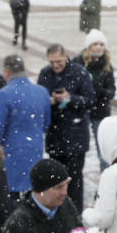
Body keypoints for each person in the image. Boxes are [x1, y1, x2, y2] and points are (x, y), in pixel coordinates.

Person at [1, 158, 83, 233]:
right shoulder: (17, 225)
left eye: (66, 184)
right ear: (41, 191)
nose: (65, 192)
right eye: (58, 187)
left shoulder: (66, 205)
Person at [37, 44, 95, 213]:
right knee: (55, 181)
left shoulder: (79, 72)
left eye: (58, 61)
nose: (55, 65)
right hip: (55, 135)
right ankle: (57, 213)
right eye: (52, 62)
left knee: (74, 181)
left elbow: (90, 100)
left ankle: (74, 215)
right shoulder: (45, 74)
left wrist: (70, 98)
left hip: (75, 135)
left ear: (66, 56)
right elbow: (40, 98)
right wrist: (50, 100)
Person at [0, 54, 52, 200]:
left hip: (10, 154)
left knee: (11, 199)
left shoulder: (3, 95)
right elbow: (46, 123)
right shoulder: (41, 92)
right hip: (35, 150)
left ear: (7, 72)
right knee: (34, 194)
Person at [72, 29, 115, 171]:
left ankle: (105, 180)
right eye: (95, 44)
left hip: (100, 111)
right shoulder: (78, 63)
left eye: (102, 44)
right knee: (76, 148)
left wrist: (99, 91)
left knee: (103, 150)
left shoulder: (106, 64)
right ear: (89, 46)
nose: (98, 47)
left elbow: (111, 91)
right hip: (81, 110)